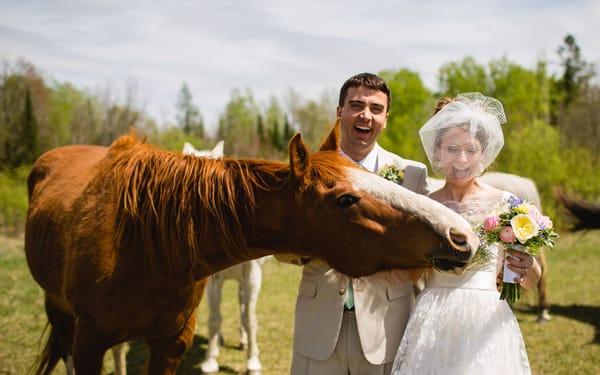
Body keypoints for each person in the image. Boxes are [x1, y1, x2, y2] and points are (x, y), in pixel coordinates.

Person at [289, 72, 429, 375]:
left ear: (386, 118)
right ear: (340, 112)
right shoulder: (308, 170)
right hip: (319, 324)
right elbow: (283, 247)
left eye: (376, 109)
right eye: (356, 105)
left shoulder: (411, 175)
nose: (366, 115)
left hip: (385, 327)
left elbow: (427, 246)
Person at [391, 93, 541, 375]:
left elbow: (529, 282)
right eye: (451, 149)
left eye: (471, 150)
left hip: (486, 319)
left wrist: (528, 267)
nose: (461, 159)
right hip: (433, 318)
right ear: (437, 152)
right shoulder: (424, 206)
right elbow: (411, 275)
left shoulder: (507, 204)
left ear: (484, 154)